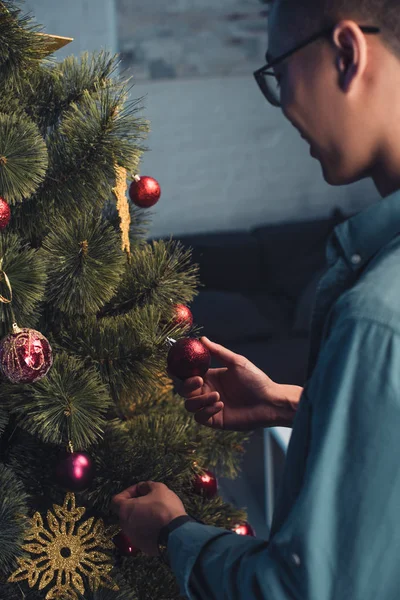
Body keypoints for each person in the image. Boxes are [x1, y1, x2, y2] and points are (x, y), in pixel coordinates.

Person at [111, 0, 400, 597]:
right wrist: (302, 404)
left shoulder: (376, 317)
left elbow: (304, 589)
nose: (285, 106)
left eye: (280, 71)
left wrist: (173, 532)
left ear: (346, 54)